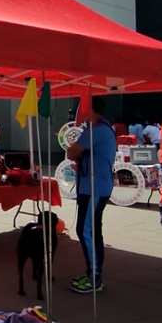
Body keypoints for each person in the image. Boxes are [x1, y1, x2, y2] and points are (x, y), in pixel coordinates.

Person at [65, 96, 116, 293]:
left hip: (95, 187)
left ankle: (94, 277)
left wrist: (77, 152)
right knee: (92, 229)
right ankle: (92, 273)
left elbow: (72, 152)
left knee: (86, 230)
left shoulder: (96, 130)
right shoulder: (104, 127)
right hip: (95, 186)